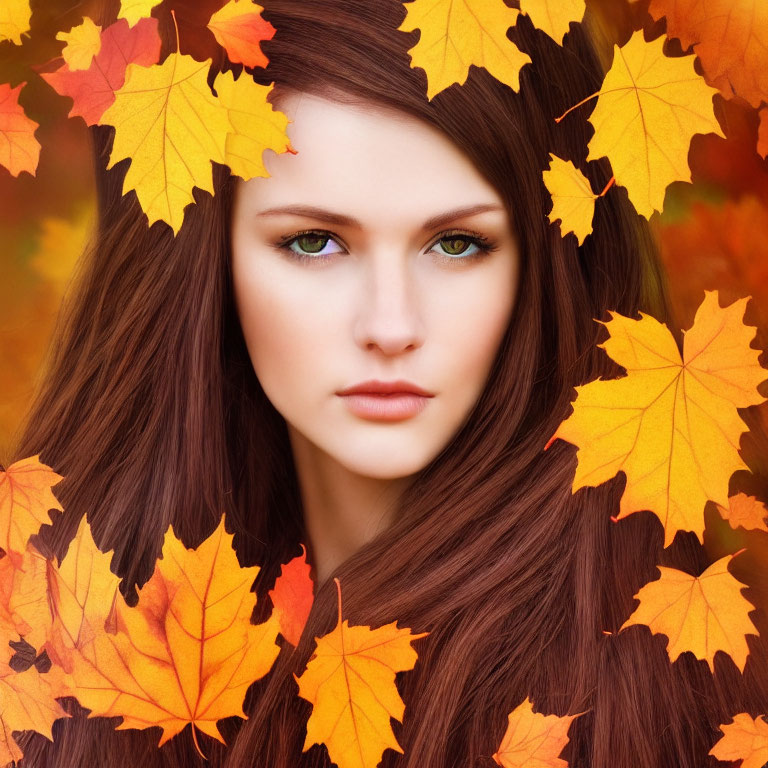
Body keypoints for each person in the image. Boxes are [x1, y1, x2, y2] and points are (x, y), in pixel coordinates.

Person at [14, 0, 768, 766]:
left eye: (457, 244)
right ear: (205, 266)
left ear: (550, 270)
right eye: (314, 242)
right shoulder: (56, 658)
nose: (390, 324)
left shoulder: (667, 699)